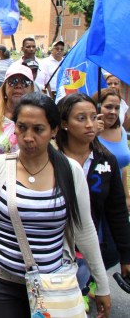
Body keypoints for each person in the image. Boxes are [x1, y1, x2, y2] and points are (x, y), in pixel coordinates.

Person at [0, 93, 111, 318]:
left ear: (54, 130)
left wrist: (102, 284)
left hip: (53, 287)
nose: (28, 137)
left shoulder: (70, 171)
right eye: (22, 128)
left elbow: (84, 230)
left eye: (38, 129)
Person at [56, 93, 130, 310]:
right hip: (47, 248)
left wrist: (126, 256)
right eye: (81, 118)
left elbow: (116, 212)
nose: (90, 124)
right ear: (64, 123)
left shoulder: (106, 162)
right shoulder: (49, 157)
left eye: (93, 117)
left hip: (84, 249)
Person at [92, 88, 130, 205]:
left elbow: (122, 167)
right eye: (108, 107)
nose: (113, 112)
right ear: (96, 107)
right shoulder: (88, 133)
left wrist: (126, 196)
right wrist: (93, 135)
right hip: (95, 197)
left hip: (116, 199)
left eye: (117, 108)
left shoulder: (122, 131)